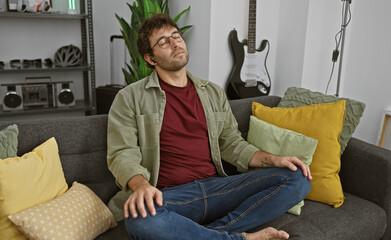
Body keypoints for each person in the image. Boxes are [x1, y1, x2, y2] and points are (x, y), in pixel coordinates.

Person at [107, 13, 311, 240]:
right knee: (140, 219)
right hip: (171, 196)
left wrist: (273, 159)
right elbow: (122, 154)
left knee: (297, 178)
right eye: (163, 42)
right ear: (150, 58)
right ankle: (241, 237)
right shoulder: (129, 98)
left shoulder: (213, 93)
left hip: (219, 189)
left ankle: (210, 234)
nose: (175, 43)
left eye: (176, 36)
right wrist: (142, 186)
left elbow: (231, 143)